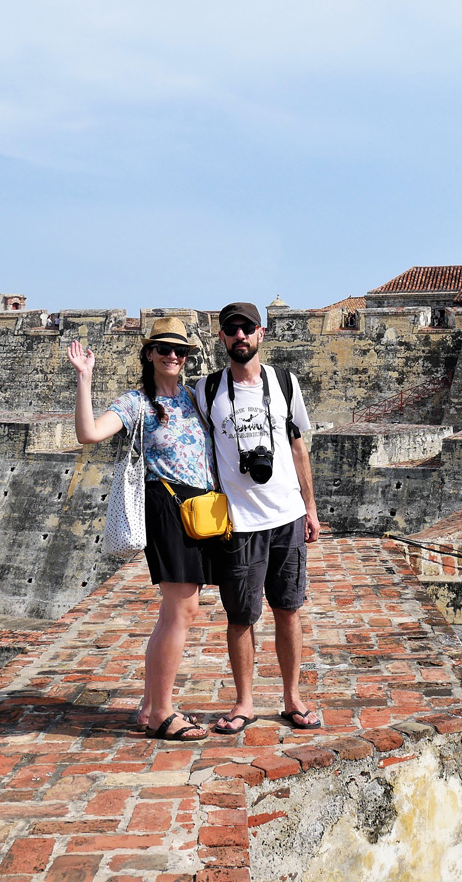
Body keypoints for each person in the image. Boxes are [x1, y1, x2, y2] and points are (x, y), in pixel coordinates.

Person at [68, 317, 213, 742]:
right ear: (148, 353)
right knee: (183, 611)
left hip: (199, 508)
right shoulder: (136, 402)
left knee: (174, 612)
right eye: (164, 349)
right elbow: (89, 433)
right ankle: (164, 712)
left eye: (180, 351)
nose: (173, 356)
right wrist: (84, 379)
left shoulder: (192, 398)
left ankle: (152, 706)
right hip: (166, 505)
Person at [195, 301, 322, 735]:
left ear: (261, 332)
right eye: (231, 330)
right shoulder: (207, 390)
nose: (240, 336)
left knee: (289, 609)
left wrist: (311, 508)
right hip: (239, 522)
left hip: (286, 516)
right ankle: (245, 702)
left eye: (247, 328)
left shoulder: (285, 383)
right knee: (240, 617)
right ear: (222, 337)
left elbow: (299, 446)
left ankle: (292, 698)